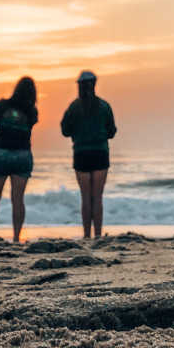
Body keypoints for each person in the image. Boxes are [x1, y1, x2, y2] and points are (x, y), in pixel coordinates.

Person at [60, 70, 117, 239]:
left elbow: (65, 130)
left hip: (81, 153)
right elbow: (112, 131)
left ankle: (86, 235)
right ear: (95, 84)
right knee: (97, 197)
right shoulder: (104, 106)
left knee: (85, 197)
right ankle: (98, 234)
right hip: (100, 152)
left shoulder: (74, 107)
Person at [0, 76, 38, 242]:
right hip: (22, 155)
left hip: (1, 154)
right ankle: (16, 236)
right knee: (18, 199)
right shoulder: (32, 111)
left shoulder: (1, 105)